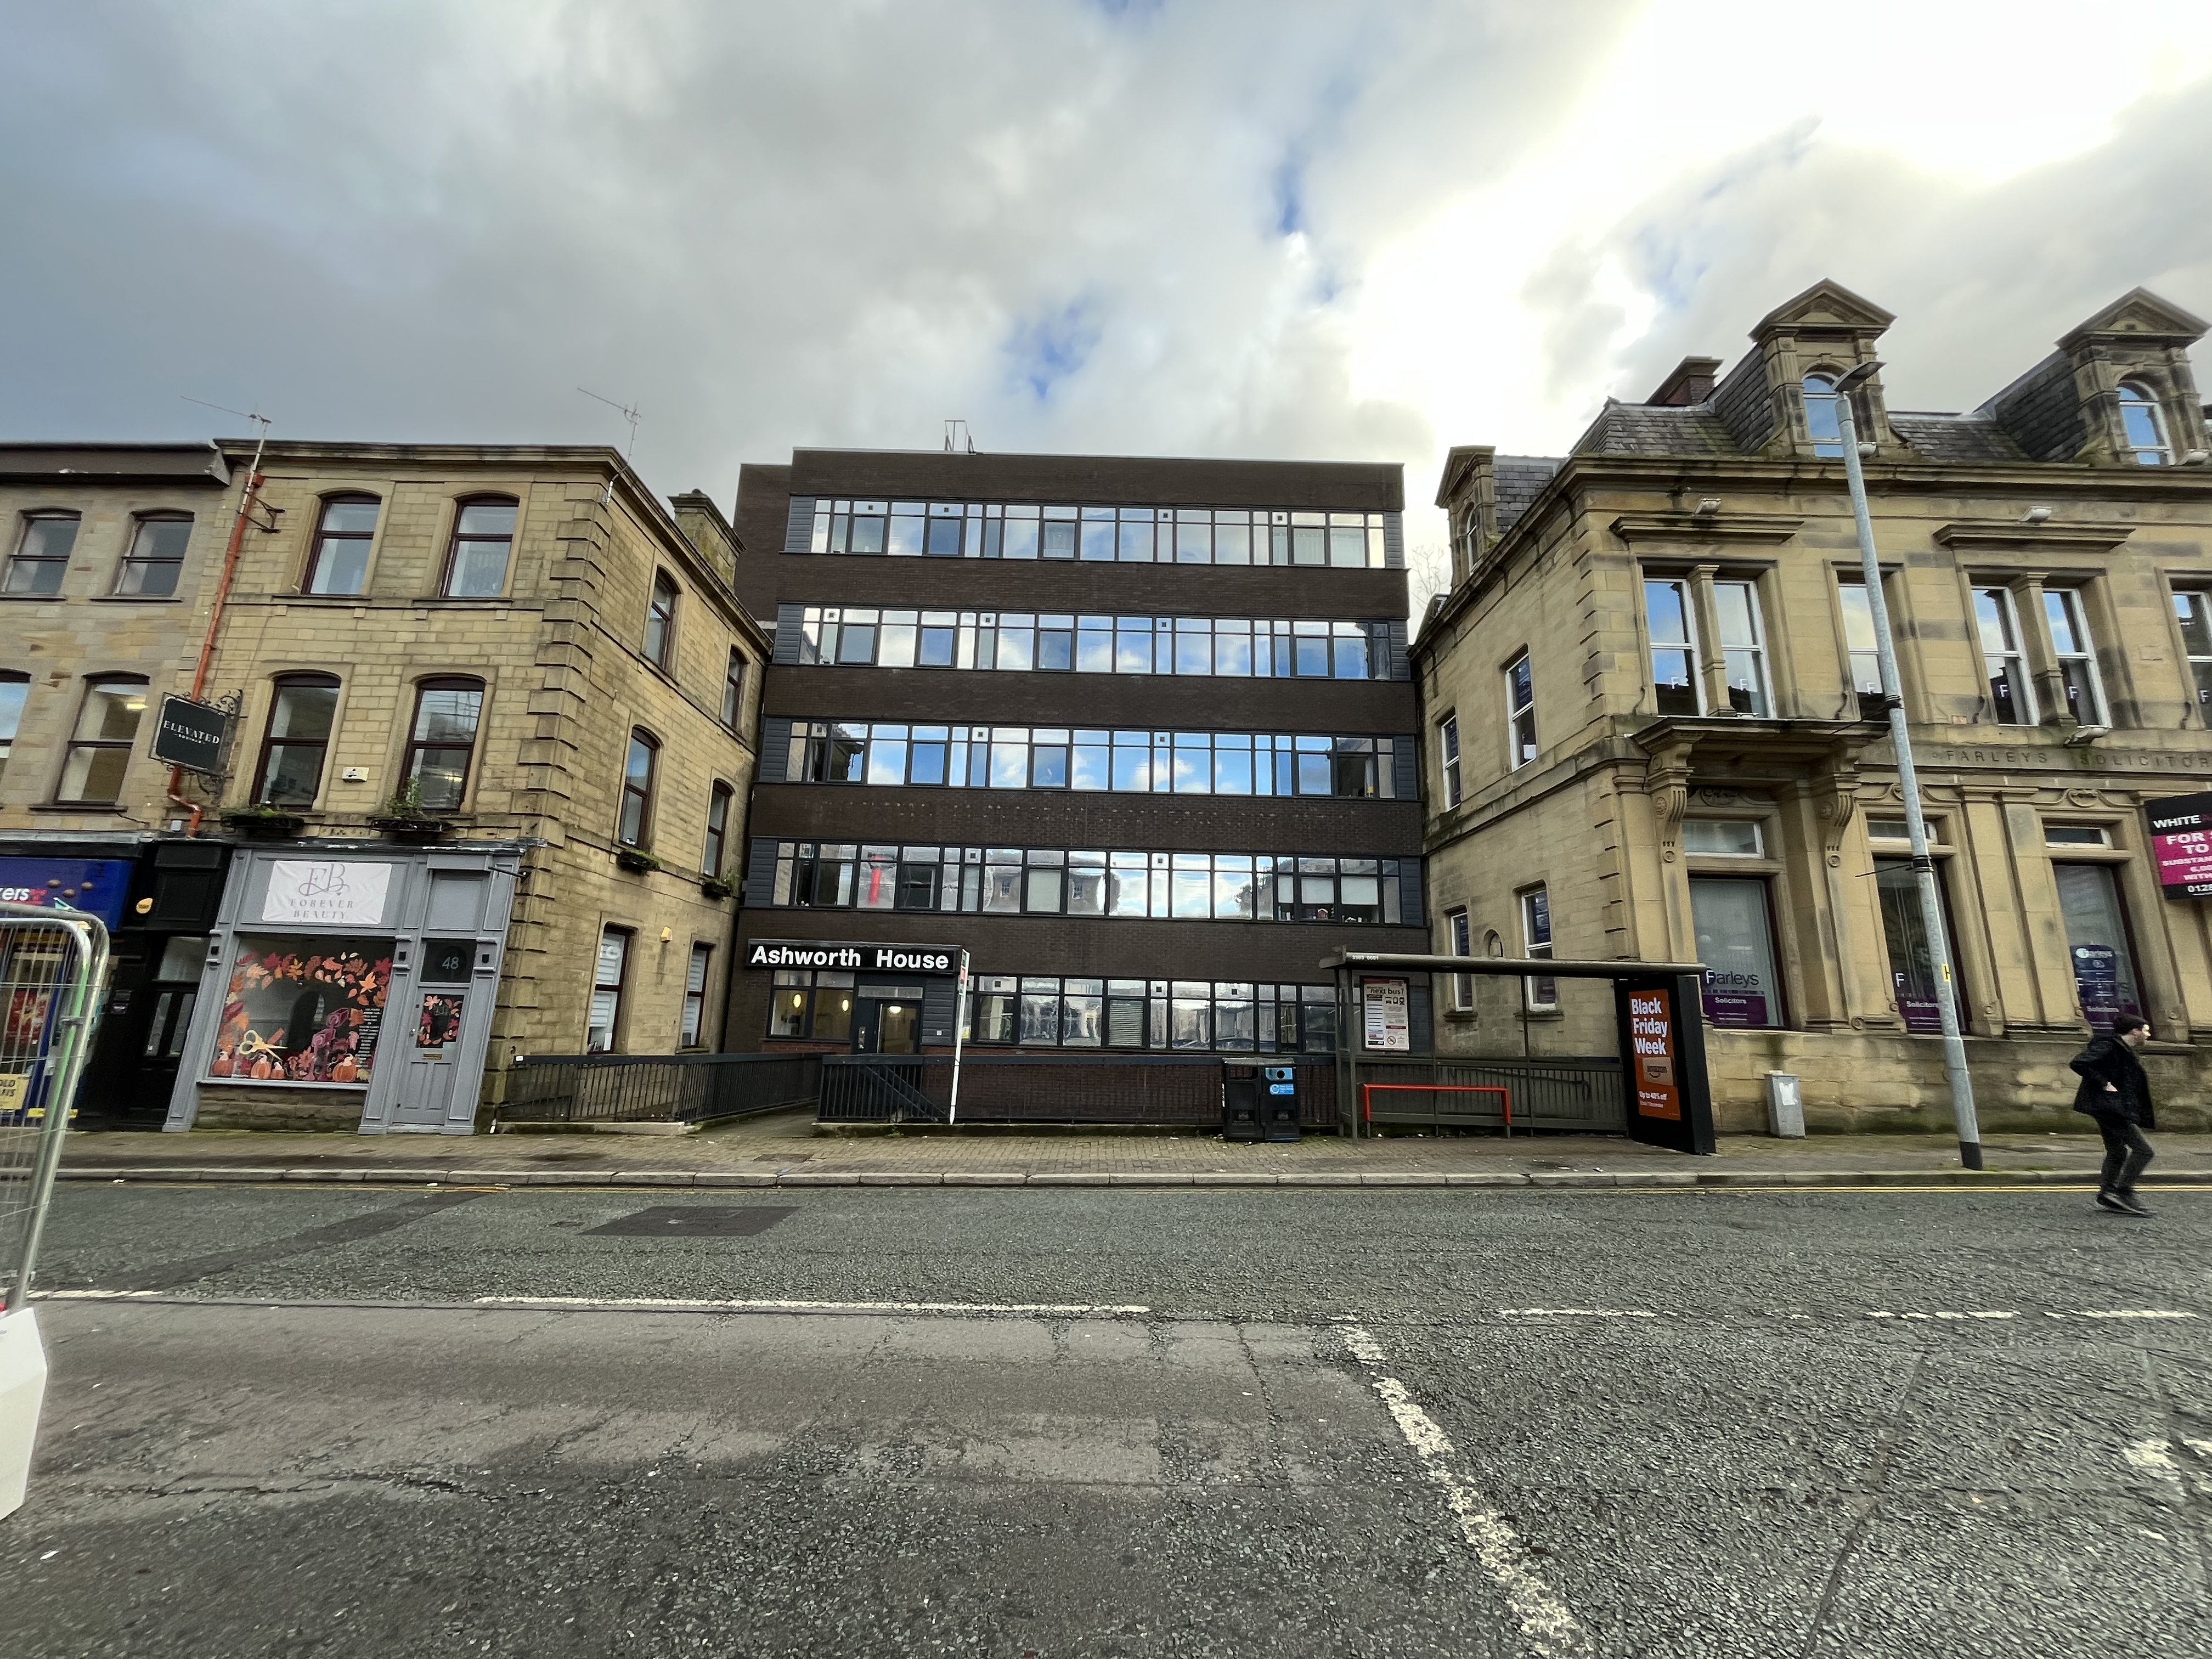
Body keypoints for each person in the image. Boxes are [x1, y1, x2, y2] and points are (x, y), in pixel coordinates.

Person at [2071, 1014, 2158, 1217]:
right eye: (2145, 1030)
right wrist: (2104, 1083)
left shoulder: (2122, 1049)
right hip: (2109, 1108)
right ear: (2134, 1032)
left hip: (2111, 1108)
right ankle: (2123, 1192)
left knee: (2117, 1151)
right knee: (2144, 1151)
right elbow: (2079, 1063)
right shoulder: (2110, 1046)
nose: (2148, 1034)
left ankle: (2108, 1193)